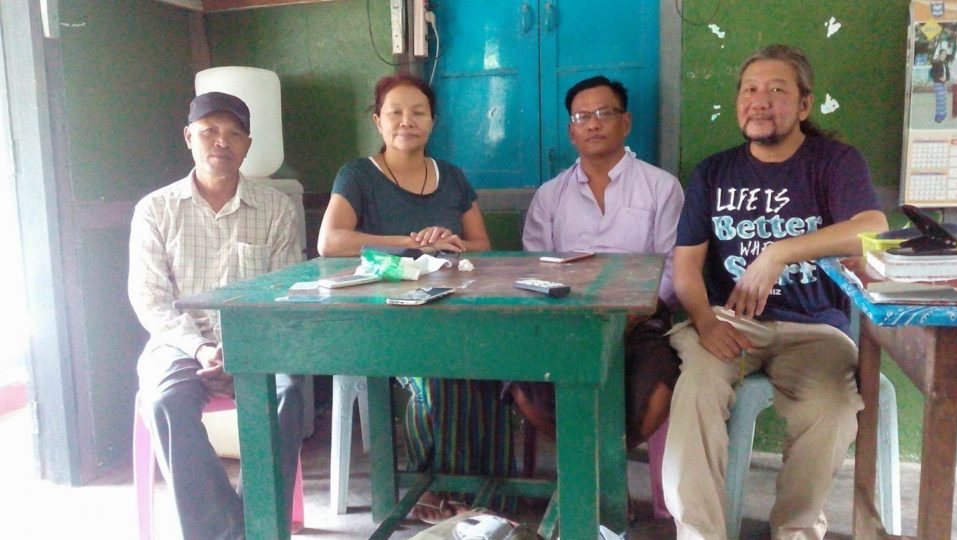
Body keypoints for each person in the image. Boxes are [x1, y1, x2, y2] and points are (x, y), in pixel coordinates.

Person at [661, 44, 888, 539]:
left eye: (776, 90)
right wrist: (704, 320)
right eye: (750, 89)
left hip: (814, 330)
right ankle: (700, 534)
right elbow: (686, 268)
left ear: (804, 105)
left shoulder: (834, 162)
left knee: (830, 408)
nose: (759, 100)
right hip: (730, 324)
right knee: (695, 390)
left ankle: (796, 530)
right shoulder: (714, 172)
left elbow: (871, 226)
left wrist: (779, 252)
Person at [317, 74, 510, 524]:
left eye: (418, 112)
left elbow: (483, 245)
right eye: (395, 112)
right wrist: (413, 242)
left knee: (494, 370)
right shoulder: (358, 174)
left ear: (433, 121)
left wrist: (450, 240)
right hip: (386, 321)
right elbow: (331, 240)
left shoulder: (453, 177)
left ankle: (487, 493)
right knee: (440, 377)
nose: (407, 121)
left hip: (457, 311)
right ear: (377, 121)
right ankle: (435, 488)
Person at [128, 91, 304, 540]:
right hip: (179, 342)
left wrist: (241, 351)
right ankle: (231, 533)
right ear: (189, 137)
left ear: (247, 145)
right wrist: (202, 347)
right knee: (166, 398)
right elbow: (151, 300)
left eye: (233, 134)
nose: (220, 142)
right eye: (209, 131)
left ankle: (260, 522)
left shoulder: (276, 210)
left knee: (289, 392)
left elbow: (283, 296)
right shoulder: (155, 209)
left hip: (256, 341)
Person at [508, 75, 684, 452]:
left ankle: (607, 459)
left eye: (605, 113)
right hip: (566, 322)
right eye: (581, 116)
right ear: (571, 132)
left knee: (658, 389)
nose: (592, 123)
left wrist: (634, 312)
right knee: (523, 387)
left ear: (626, 122)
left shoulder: (661, 187)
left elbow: (673, 266)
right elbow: (536, 267)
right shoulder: (550, 195)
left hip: (642, 321)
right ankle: (586, 462)